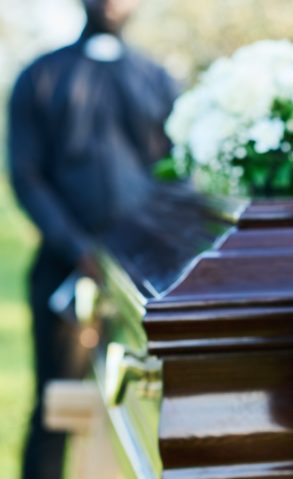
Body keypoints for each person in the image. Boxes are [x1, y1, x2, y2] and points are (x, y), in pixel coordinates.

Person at [7, 0, 177, 477]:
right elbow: (26, 175)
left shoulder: (158, 79)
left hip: (145, 280)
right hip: (66, 272)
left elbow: (176, 177)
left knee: (144, 421)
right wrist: (77, 247)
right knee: (56, 407)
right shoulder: (39, 77)